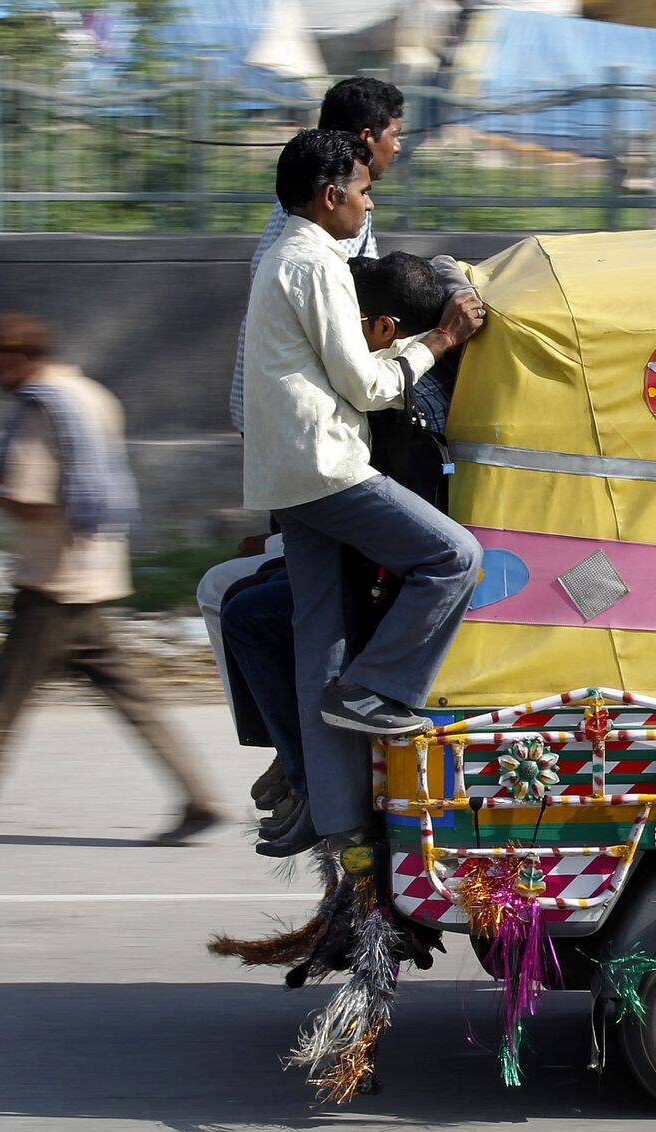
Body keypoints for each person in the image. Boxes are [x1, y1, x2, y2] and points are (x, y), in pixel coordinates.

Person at [241, 130, 485, 857]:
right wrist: (439, 341)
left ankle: (338, 819)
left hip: (289, 475)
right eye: (365, 188)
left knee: (320, 643)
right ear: (331, 195)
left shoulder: (281, 258)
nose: (370, 200)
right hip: (327, 465)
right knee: (454, 557)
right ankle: (380, 687)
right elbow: (367, 384)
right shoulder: (315, 263)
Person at [0, 315, 220, 850]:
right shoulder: (89, 395)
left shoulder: (38, 407)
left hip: (52, 584)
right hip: (97, 572)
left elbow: (35, 497)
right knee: (133, 701)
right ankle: (198, 798)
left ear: (10, 358)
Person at [222, 251, 459, 848]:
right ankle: (309, 781)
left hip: (380, 578)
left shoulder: (403, 394)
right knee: (245, 606)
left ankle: (315, 765)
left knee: (254, 617)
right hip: (349, 537)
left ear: (382, 329)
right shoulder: (372, 365)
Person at [227, 76, 403, 435]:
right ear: (368, 136)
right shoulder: (331, 221)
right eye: (395, 134)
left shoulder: (303, 204)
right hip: (299, 422)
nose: (398, 147)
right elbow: (352, 309)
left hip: (271, 404)